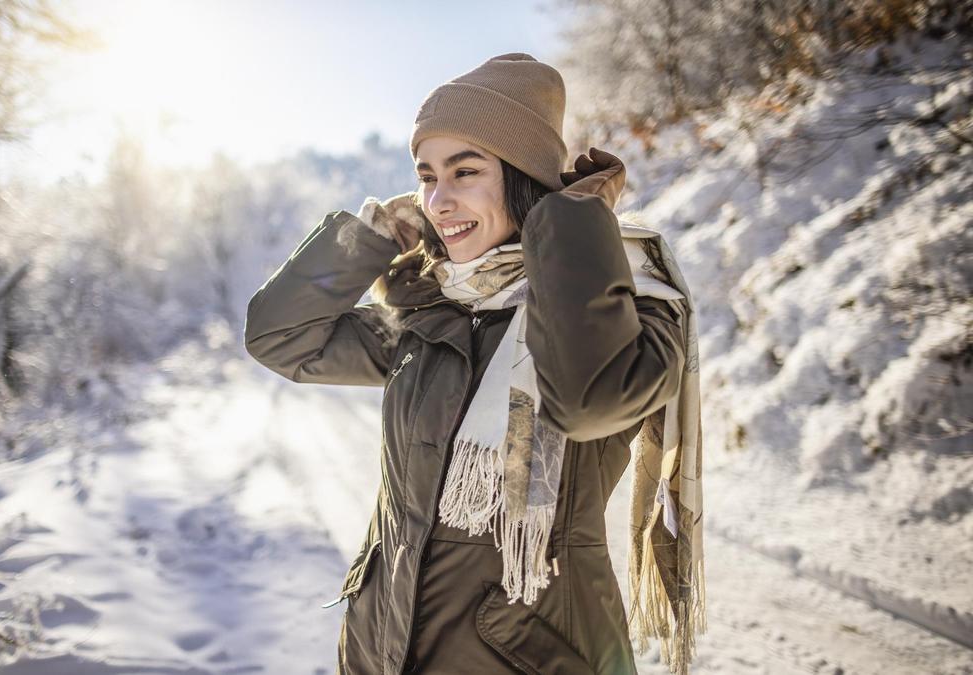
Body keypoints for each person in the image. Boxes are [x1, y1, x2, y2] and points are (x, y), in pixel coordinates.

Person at [245, 53, 704, 675]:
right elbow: (281, 335)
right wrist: (375, 234)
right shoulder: (429, 314)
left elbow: (586, 400)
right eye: (426, 176)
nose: (438, 199)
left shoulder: (633, 307)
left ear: (523, 177)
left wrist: (569, 225)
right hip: (384, 645)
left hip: (524, 655)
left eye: (465, 172)